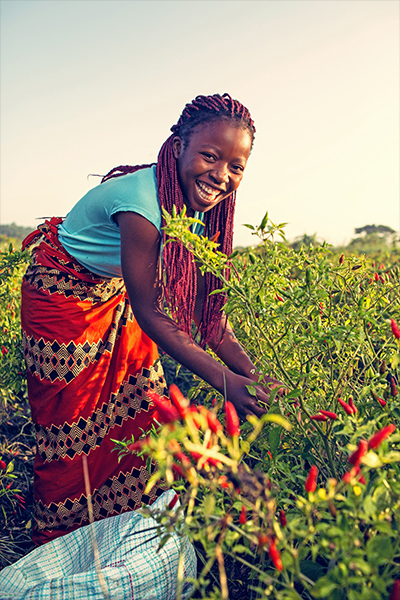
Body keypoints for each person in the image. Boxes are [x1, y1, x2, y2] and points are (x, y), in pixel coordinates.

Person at [21, 93, 284, 545]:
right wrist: (226, 382)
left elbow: (205, 312)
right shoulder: (143, 205)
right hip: (61, 297)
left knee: (143, 403)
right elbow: (150, 311)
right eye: (210, 156)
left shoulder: (201, 208)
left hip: (112, 292)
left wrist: (252, 375)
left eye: (236, 166)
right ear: (179, 146)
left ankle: (118, 529)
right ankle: (62, 538)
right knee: (73, 423)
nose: (221, 175)